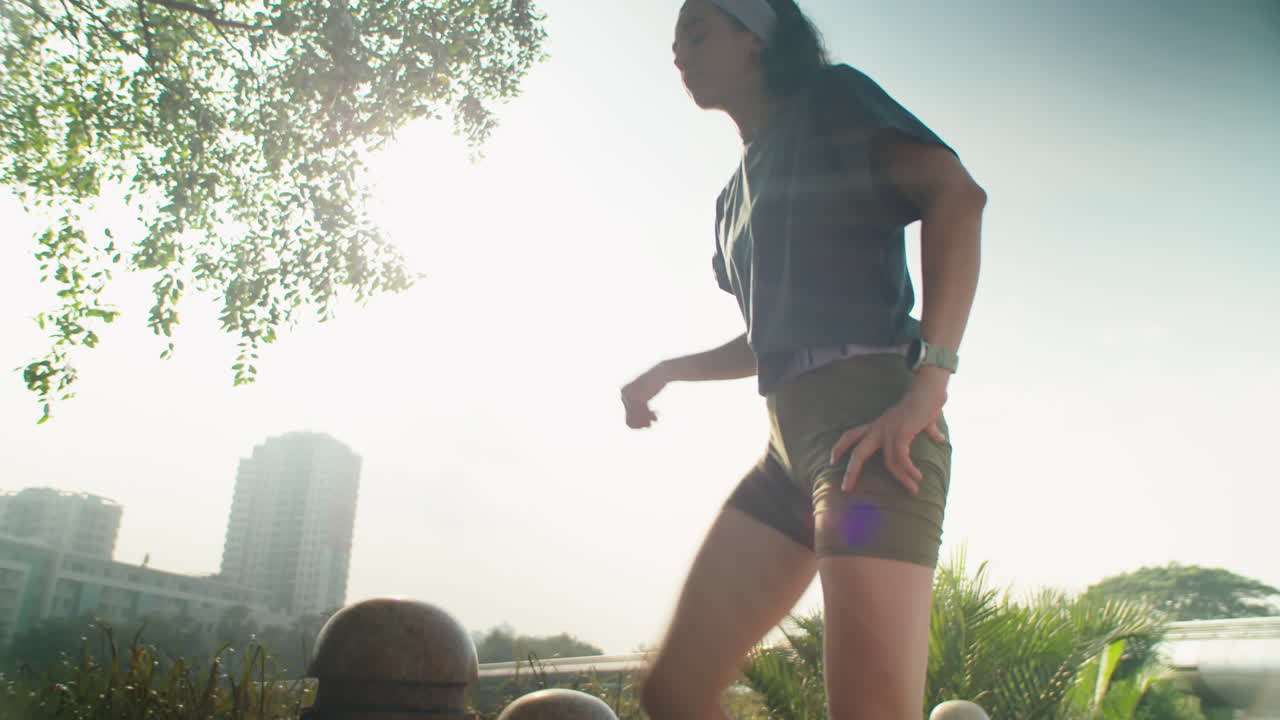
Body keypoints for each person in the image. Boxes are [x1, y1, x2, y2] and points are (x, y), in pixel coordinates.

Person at [620, 1, 986, 718]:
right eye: (673, 40)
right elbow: (770, 339)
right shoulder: (732, 201)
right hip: (786, 454)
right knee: (674, 693)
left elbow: (956, 194)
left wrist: (929, 385)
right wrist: (667, 371)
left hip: (870, 439)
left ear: (757, 39)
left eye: (698, 30)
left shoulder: (830, 100)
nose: (679, 50)